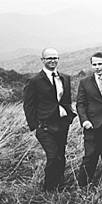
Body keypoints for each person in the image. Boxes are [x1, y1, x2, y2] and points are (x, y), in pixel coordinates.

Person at [23, 48, 77, 192]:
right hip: (44, 125)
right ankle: (48, 187)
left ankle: (59, 182)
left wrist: (69, 116)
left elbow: (67, 99)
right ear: (42, 60)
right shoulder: (34, 81)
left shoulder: (65, 77)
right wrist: (34, 126)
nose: (52, 60)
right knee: (53, 156)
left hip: (62, 123)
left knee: (61, 154)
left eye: (55, 57)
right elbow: (28, 105)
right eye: (49, 58)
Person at [75, 52, 102, 188]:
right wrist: (84, 120)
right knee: (90, 156)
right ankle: (83, 186)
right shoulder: (85, 82)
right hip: (92, 126)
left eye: (100, 64)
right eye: (94, 64)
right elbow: (81, 103)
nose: (97, 67)